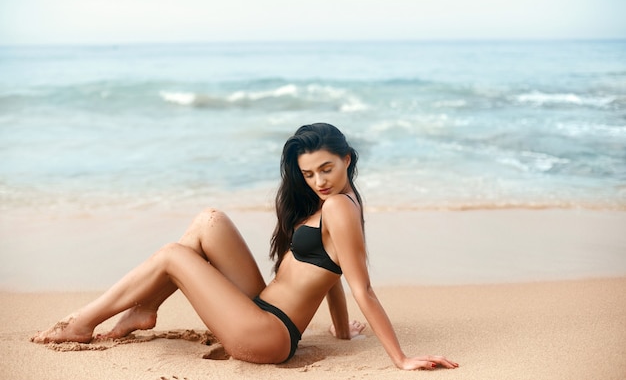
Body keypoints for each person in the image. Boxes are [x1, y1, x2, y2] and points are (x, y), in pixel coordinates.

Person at [31, 123, 458, 371]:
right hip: (261, 310)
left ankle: (82, 323)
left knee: (172, 255)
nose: (318, 181)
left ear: (348, 158)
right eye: (308, 174)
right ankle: (143, 310)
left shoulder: (341, 209)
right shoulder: (331, 204)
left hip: (268, 335)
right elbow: (330, 271)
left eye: (326, 168)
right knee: (209, 221)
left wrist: (400, 359)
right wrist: (342, 331)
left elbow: (360, 285)